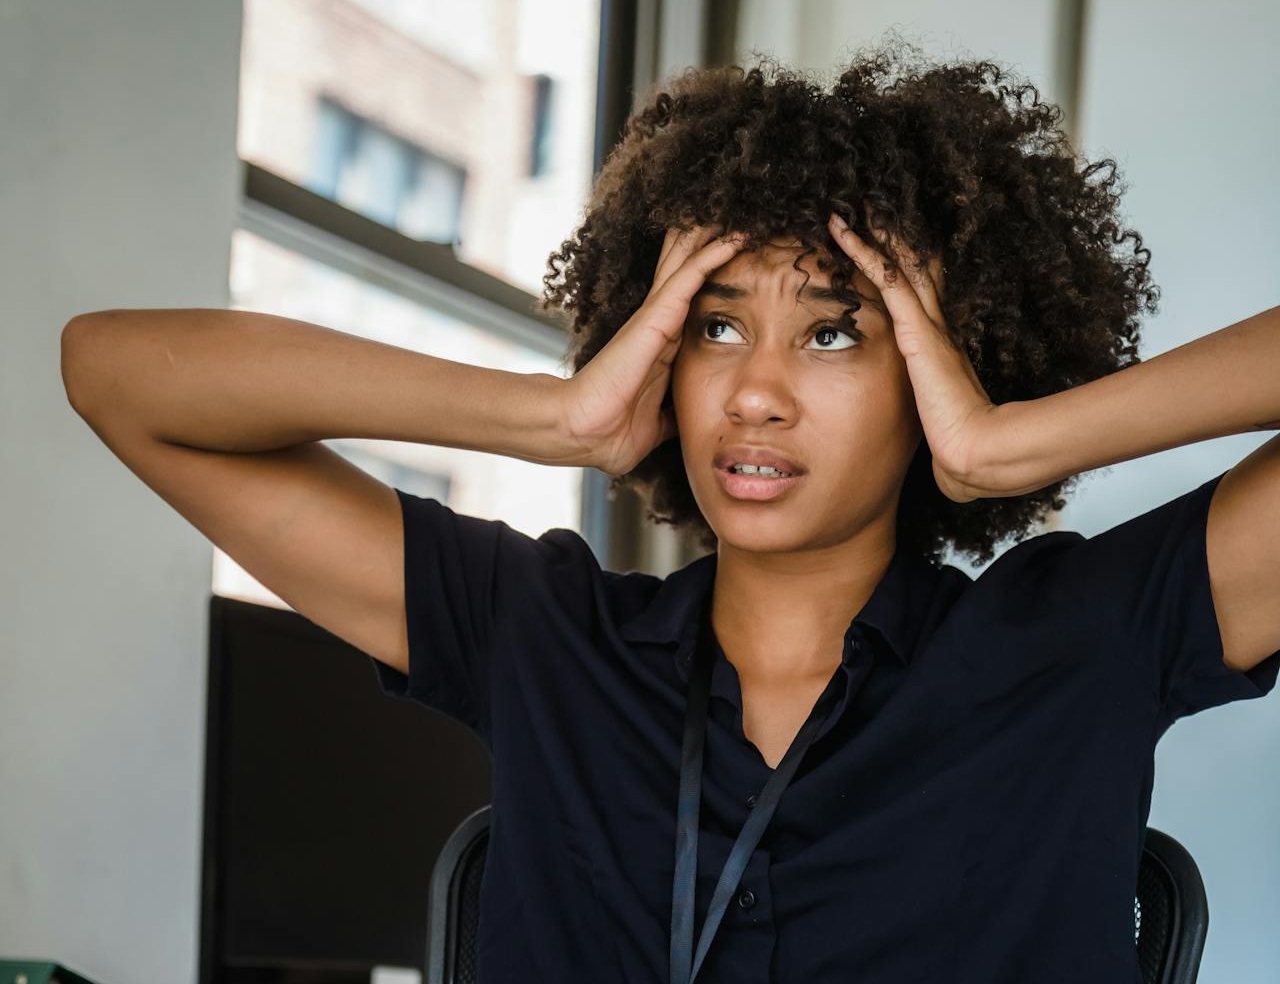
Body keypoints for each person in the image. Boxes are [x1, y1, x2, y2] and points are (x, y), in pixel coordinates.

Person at [62, 38, 1280, 984]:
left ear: (942, 364)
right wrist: (554, 417)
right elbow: (114, 371)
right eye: (714, 325)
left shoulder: (1079, 639)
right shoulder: (541, 632)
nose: (755, 391)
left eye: (833, 332)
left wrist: (1017, 437)